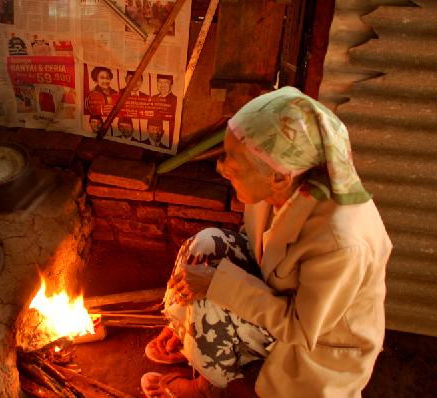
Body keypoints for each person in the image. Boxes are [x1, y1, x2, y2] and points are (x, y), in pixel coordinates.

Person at [140, 87, 392, 398]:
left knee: (212, 294)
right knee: (206, 248)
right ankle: (190, 337)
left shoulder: (341, 243)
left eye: (233, 165)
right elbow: (262, 246)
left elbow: (300, 328)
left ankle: (205, 387)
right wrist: (185, 319)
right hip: (279, 294)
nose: (222, 167)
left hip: (314, 341)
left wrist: (214, 288)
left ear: (278, 177)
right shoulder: (284, 183)